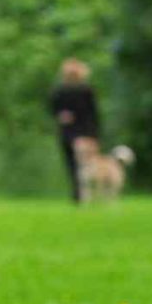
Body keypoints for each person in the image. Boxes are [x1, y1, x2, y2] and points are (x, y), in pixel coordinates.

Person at [50, 58, 99, 203]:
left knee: (77, 165)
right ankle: (82, 193)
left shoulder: (81, 90)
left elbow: (92, 113)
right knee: (79, 165)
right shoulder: (62, 91)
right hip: (78, 131)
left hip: (78, 132)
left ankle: (80, 194)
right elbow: (94, 113)